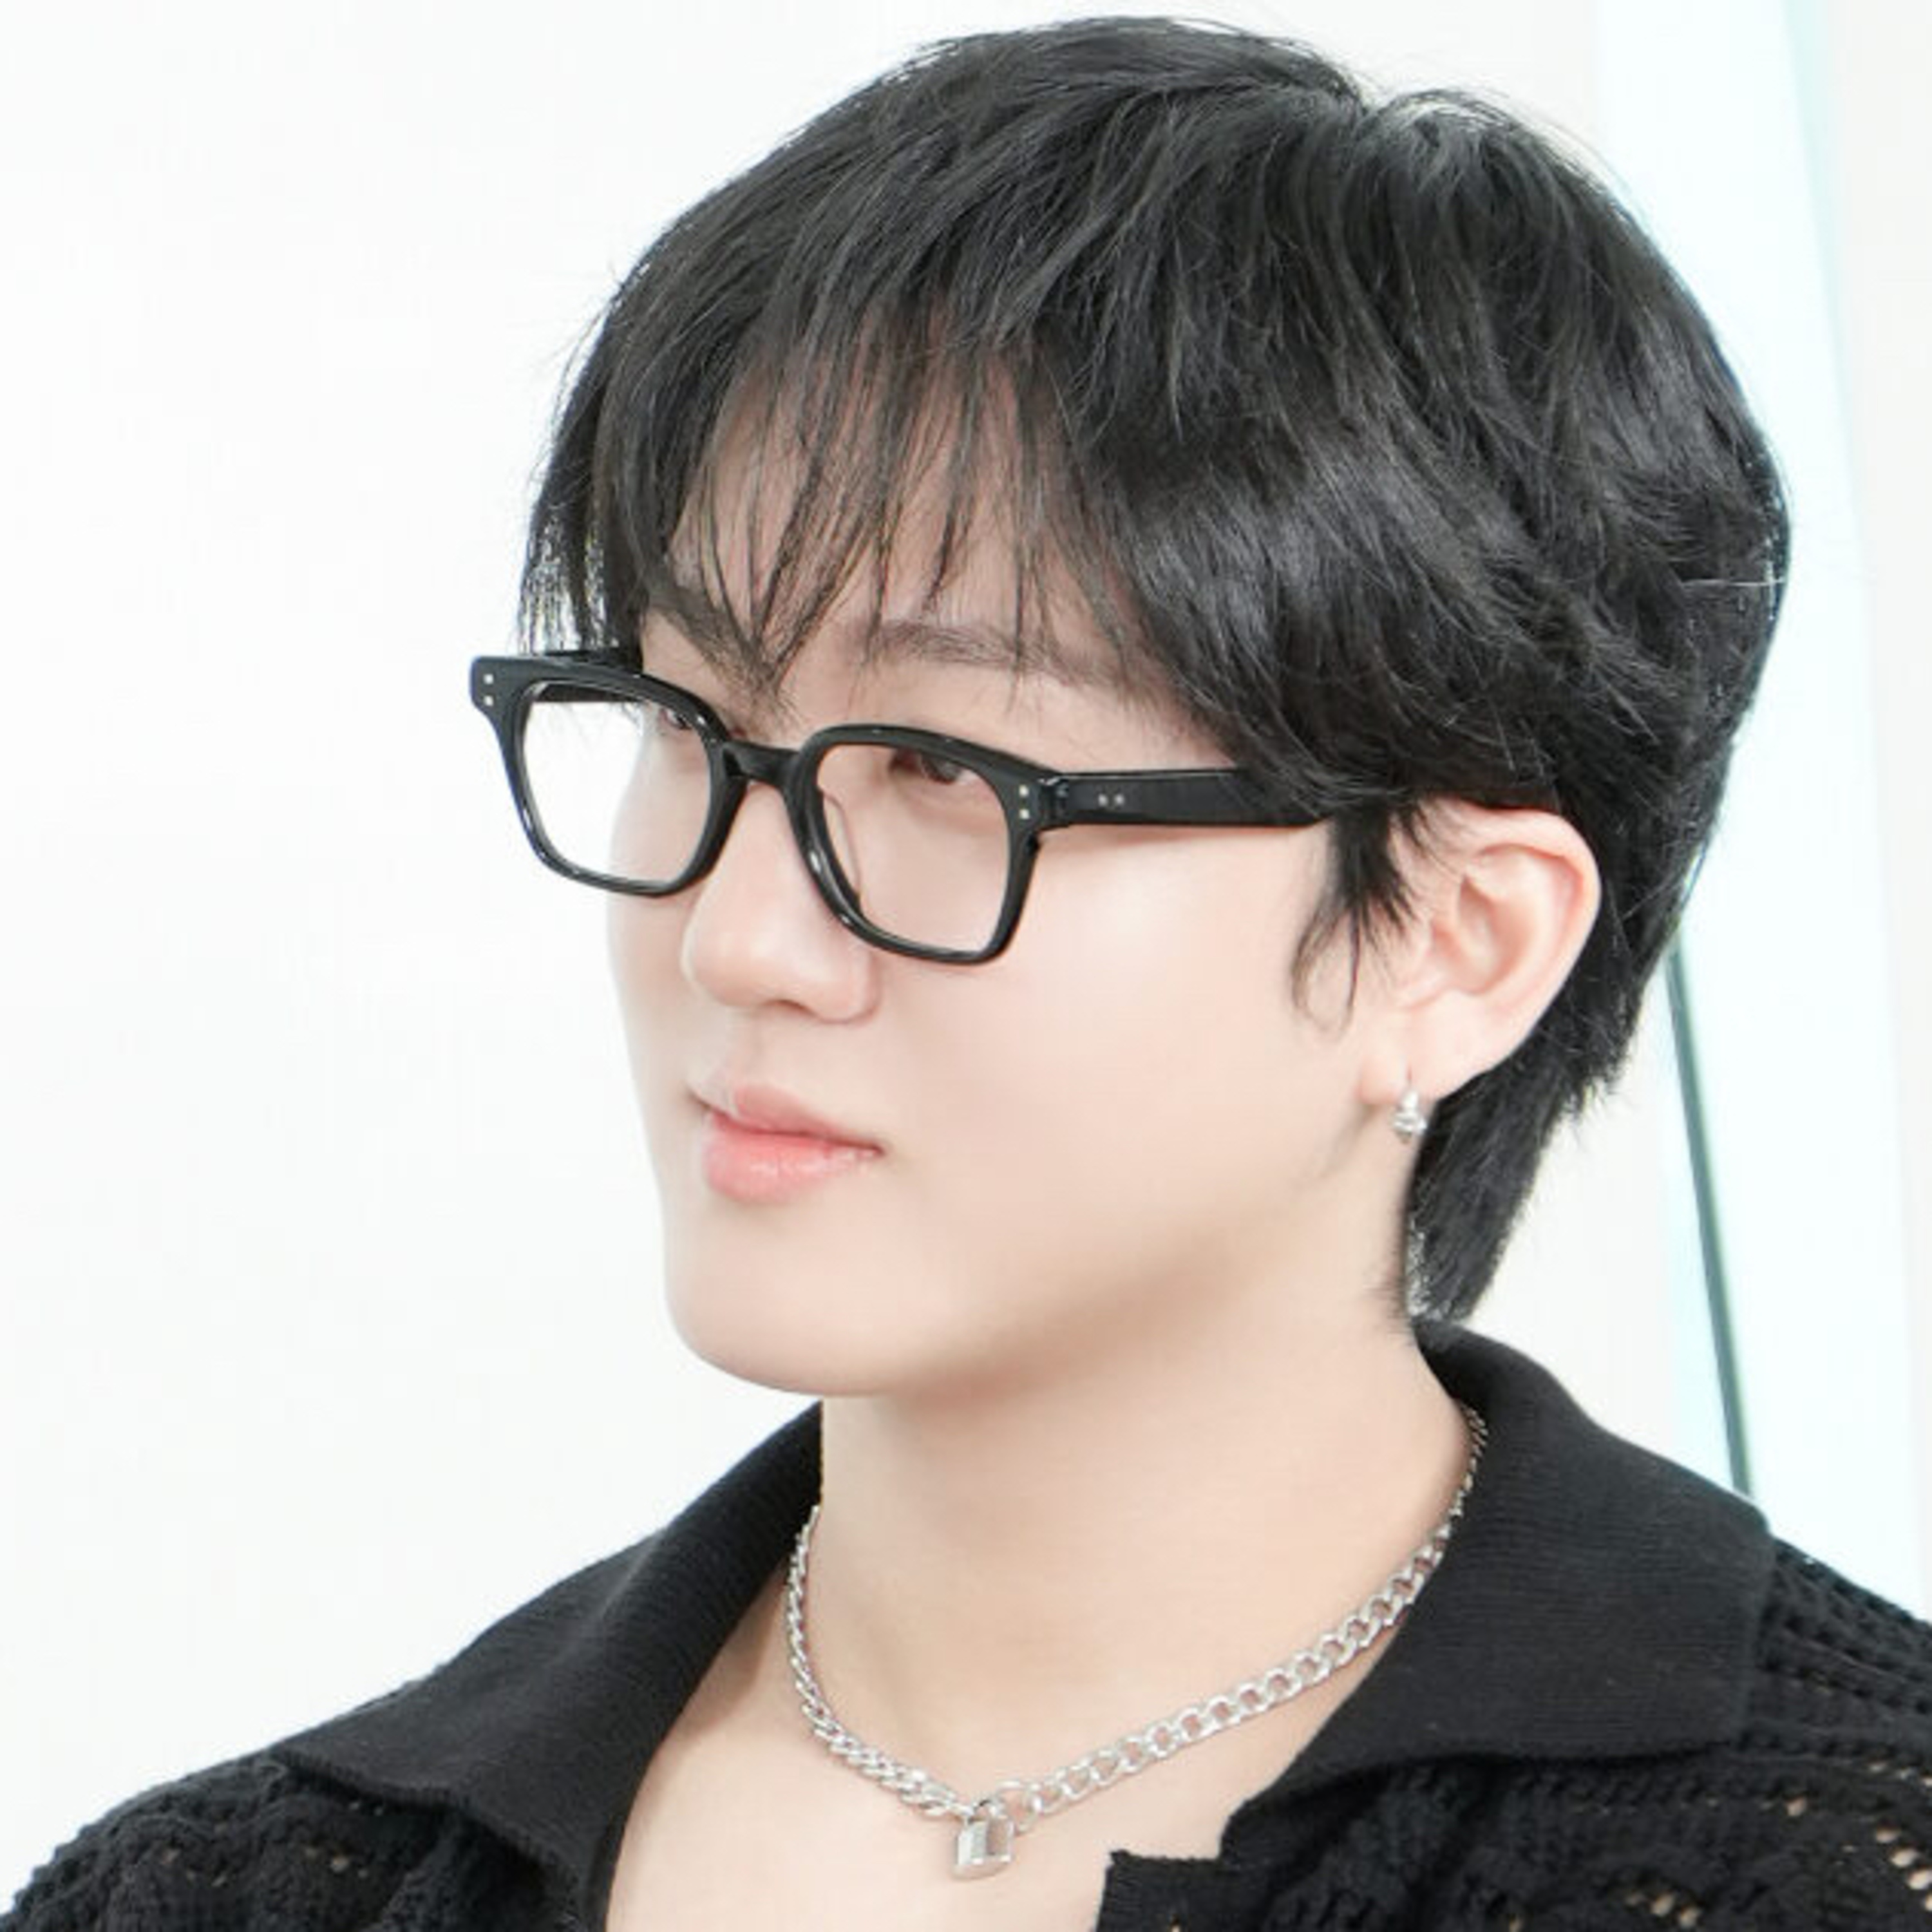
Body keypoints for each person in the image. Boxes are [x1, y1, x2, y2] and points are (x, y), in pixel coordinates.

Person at [10, 16, 1932, 1931]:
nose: (739, 936)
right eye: (683, 718)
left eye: (943, 771)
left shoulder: (1836, 1863)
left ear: (1456, 939)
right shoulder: (224, 1896)